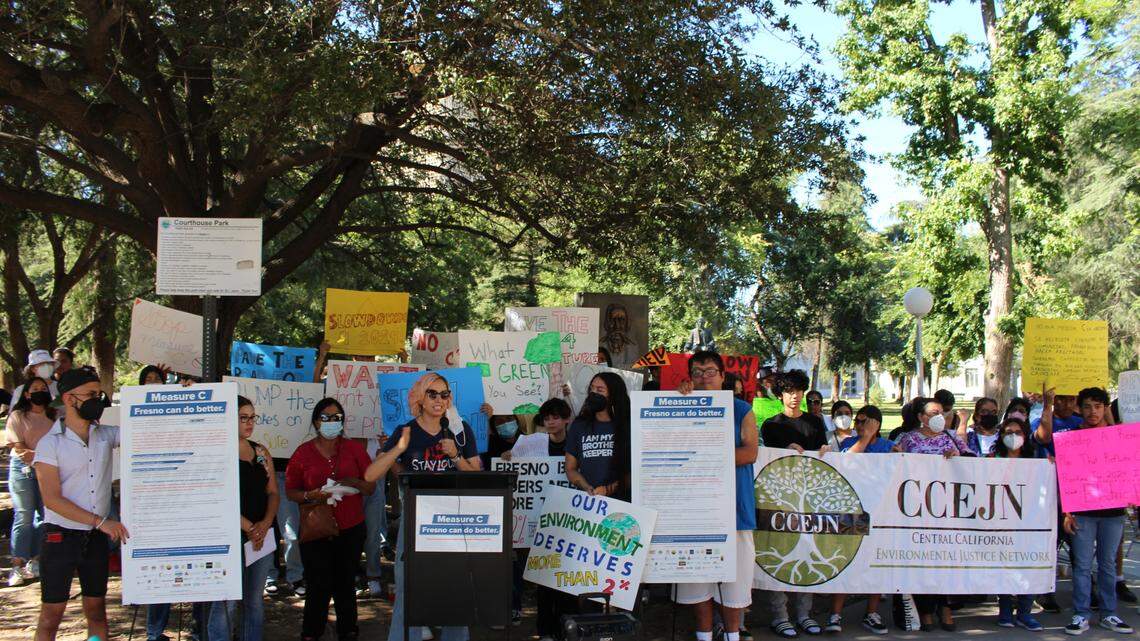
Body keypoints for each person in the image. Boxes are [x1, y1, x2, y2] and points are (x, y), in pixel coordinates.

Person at [365, 373, 481, 641]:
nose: (439, 400)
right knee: (408, 591)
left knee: (456, 594)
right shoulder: (405, 431)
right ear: (420, 397)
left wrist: (456, 456)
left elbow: (478, 478)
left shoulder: (460, 430)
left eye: (444, 394)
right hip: (416, 523)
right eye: (432, 394)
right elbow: (371, 475)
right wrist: (398, 449)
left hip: (455, 524)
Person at [32, 368, 128, 641]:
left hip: (95, 538)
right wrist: (101, 522)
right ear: (70, 398)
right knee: (52, 614)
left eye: (99, 394)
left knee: (97, 611)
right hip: (60, 537)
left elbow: (150, 430)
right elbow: (52, 499)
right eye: (91, 394)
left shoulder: (106, 435)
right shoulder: (49, 444)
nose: (97, 400)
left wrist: (180, 393)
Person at [674, 351, 760, 641]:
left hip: (735, 508)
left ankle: (733, 635)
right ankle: (704, 636)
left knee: (734, 583)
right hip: (692, 511)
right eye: (697, 372)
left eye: (710, 371)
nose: (704, 377)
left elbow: (750, 452)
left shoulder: (741, 409)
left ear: (723, 376)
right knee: (697, 582)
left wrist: (706, 455)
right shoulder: (679, 405)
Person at [1037, 387, 1134, 636]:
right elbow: (1068, 477)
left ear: (1105, 409)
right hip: (1082, 512)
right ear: (1080, 408)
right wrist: (1067, 514)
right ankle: (1081, 614)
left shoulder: (1118, 437)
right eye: (1088, 406)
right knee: (1081, 565)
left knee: (1108, 564)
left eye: (1098, 406)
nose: (1093, 411)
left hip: (1113, 511)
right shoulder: (1071, 438)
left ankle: (1109, 613)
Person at [285, 398, 375, 641]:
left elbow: (370, 487)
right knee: (318, 586)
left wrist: (353, 482)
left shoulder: (354, 449)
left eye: (337, 418)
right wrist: (309, 495)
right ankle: (311, 633)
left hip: (351, 527)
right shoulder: (303, 452)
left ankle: (348, 631)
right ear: (316, 421)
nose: (332, 422)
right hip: (316, 529)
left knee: (345, 584)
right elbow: (290, 491)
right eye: (326, 417)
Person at [894, 398, 974, 631]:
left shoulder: (950, 437)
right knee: (923, 561)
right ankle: (926, 609)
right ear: (921, 417)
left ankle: (945, 606)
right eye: (933, 412)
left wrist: (957, 456)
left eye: (941, 411)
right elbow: (893, 463)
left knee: (945, 560)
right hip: (917, 509)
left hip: (948, 510)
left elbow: (972, 461)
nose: (939, 415)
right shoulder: (907, 439)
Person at [759, 369, 828, 637]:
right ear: (780, 394)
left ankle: (804, 614)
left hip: (811, 497)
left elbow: (823, 449)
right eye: (789, 391)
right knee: (782, 552)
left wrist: (825, 452)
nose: (794, 396)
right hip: (781, 499)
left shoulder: (815, 423)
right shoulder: (771, 425)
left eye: (798, 391)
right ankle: (780, 615)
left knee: (808, 552)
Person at [207, 396, 280, 641]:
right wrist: (249, 527)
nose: (249, 423)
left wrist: (265, 523)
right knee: (226, 602)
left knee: (254, 601)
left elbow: (273, 492)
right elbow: (216, 496)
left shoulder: (260, 451)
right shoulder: (217, 452)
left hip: (261, 536)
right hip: (230, 536)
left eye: (252, 417)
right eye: (243, 418)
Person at [507, 398, 573, 641]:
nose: (551, 422)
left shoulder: (575, 442)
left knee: (567, 578)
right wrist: (507, 456)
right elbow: (513, 459)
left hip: (569, 520)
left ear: (566, 419)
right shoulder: (533, 442)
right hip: (541, 521)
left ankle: (567, 627)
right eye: (547, 418)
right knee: (544, 578)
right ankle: (545, 630)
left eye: (556, 417)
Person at [826, 405, 892, 634]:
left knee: (877, 564)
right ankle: (835, 614)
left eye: (865, 421)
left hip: (881, 512)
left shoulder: (890, 447)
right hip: (852, 512)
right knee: (846, 561)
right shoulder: (847, 444)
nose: (859, 425)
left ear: (877, 424)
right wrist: (863, 439)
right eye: (858, 421)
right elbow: (848, 463)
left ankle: (871, 613)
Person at [990, 416, 1044, 631]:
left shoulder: (1037, 459)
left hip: (1030, 521)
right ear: (1001, 436)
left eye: (1018, 432)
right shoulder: (993, 459)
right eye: (1008, 432)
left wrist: (1048, 467)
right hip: (1002, 520)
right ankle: (1005, 610)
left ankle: (1025, 612)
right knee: (1004, 565)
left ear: (1025, 435)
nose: (1013, 437)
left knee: (1028, 565)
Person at [4, 376, 55, 586]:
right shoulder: (17, 415)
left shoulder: (55, 417)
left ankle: (36, 560)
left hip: (48, 470)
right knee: (24, 515)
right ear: (27, 394)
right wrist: (42, 455)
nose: (40, 391)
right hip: (23, 470)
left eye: (43, 388)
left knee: (45, 515)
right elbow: (19, 448)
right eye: (35, 388)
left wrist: (43, 457)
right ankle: (17, 564)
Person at [566, 371, 632, 501]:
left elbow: (634, 473)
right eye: (591, 389)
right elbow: (570, 468)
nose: (593, 393)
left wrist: (608, 489)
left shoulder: (628, 426)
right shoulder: (579, 426)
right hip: (589, 502)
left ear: (613, 394)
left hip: (622, 503)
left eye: (600, 390)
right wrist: (586, 487)